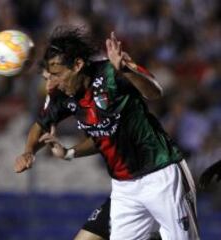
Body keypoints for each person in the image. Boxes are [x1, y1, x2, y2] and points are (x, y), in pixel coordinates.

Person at [14, 26, 199, 240]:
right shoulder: (62, 96)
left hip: (161, 173)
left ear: (77, 65)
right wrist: (29, 151)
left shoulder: (111, 73)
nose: (52, 82)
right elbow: (40, 126)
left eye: (57, 74)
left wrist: (126, 71)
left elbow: (155, 92)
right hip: (125, 188)